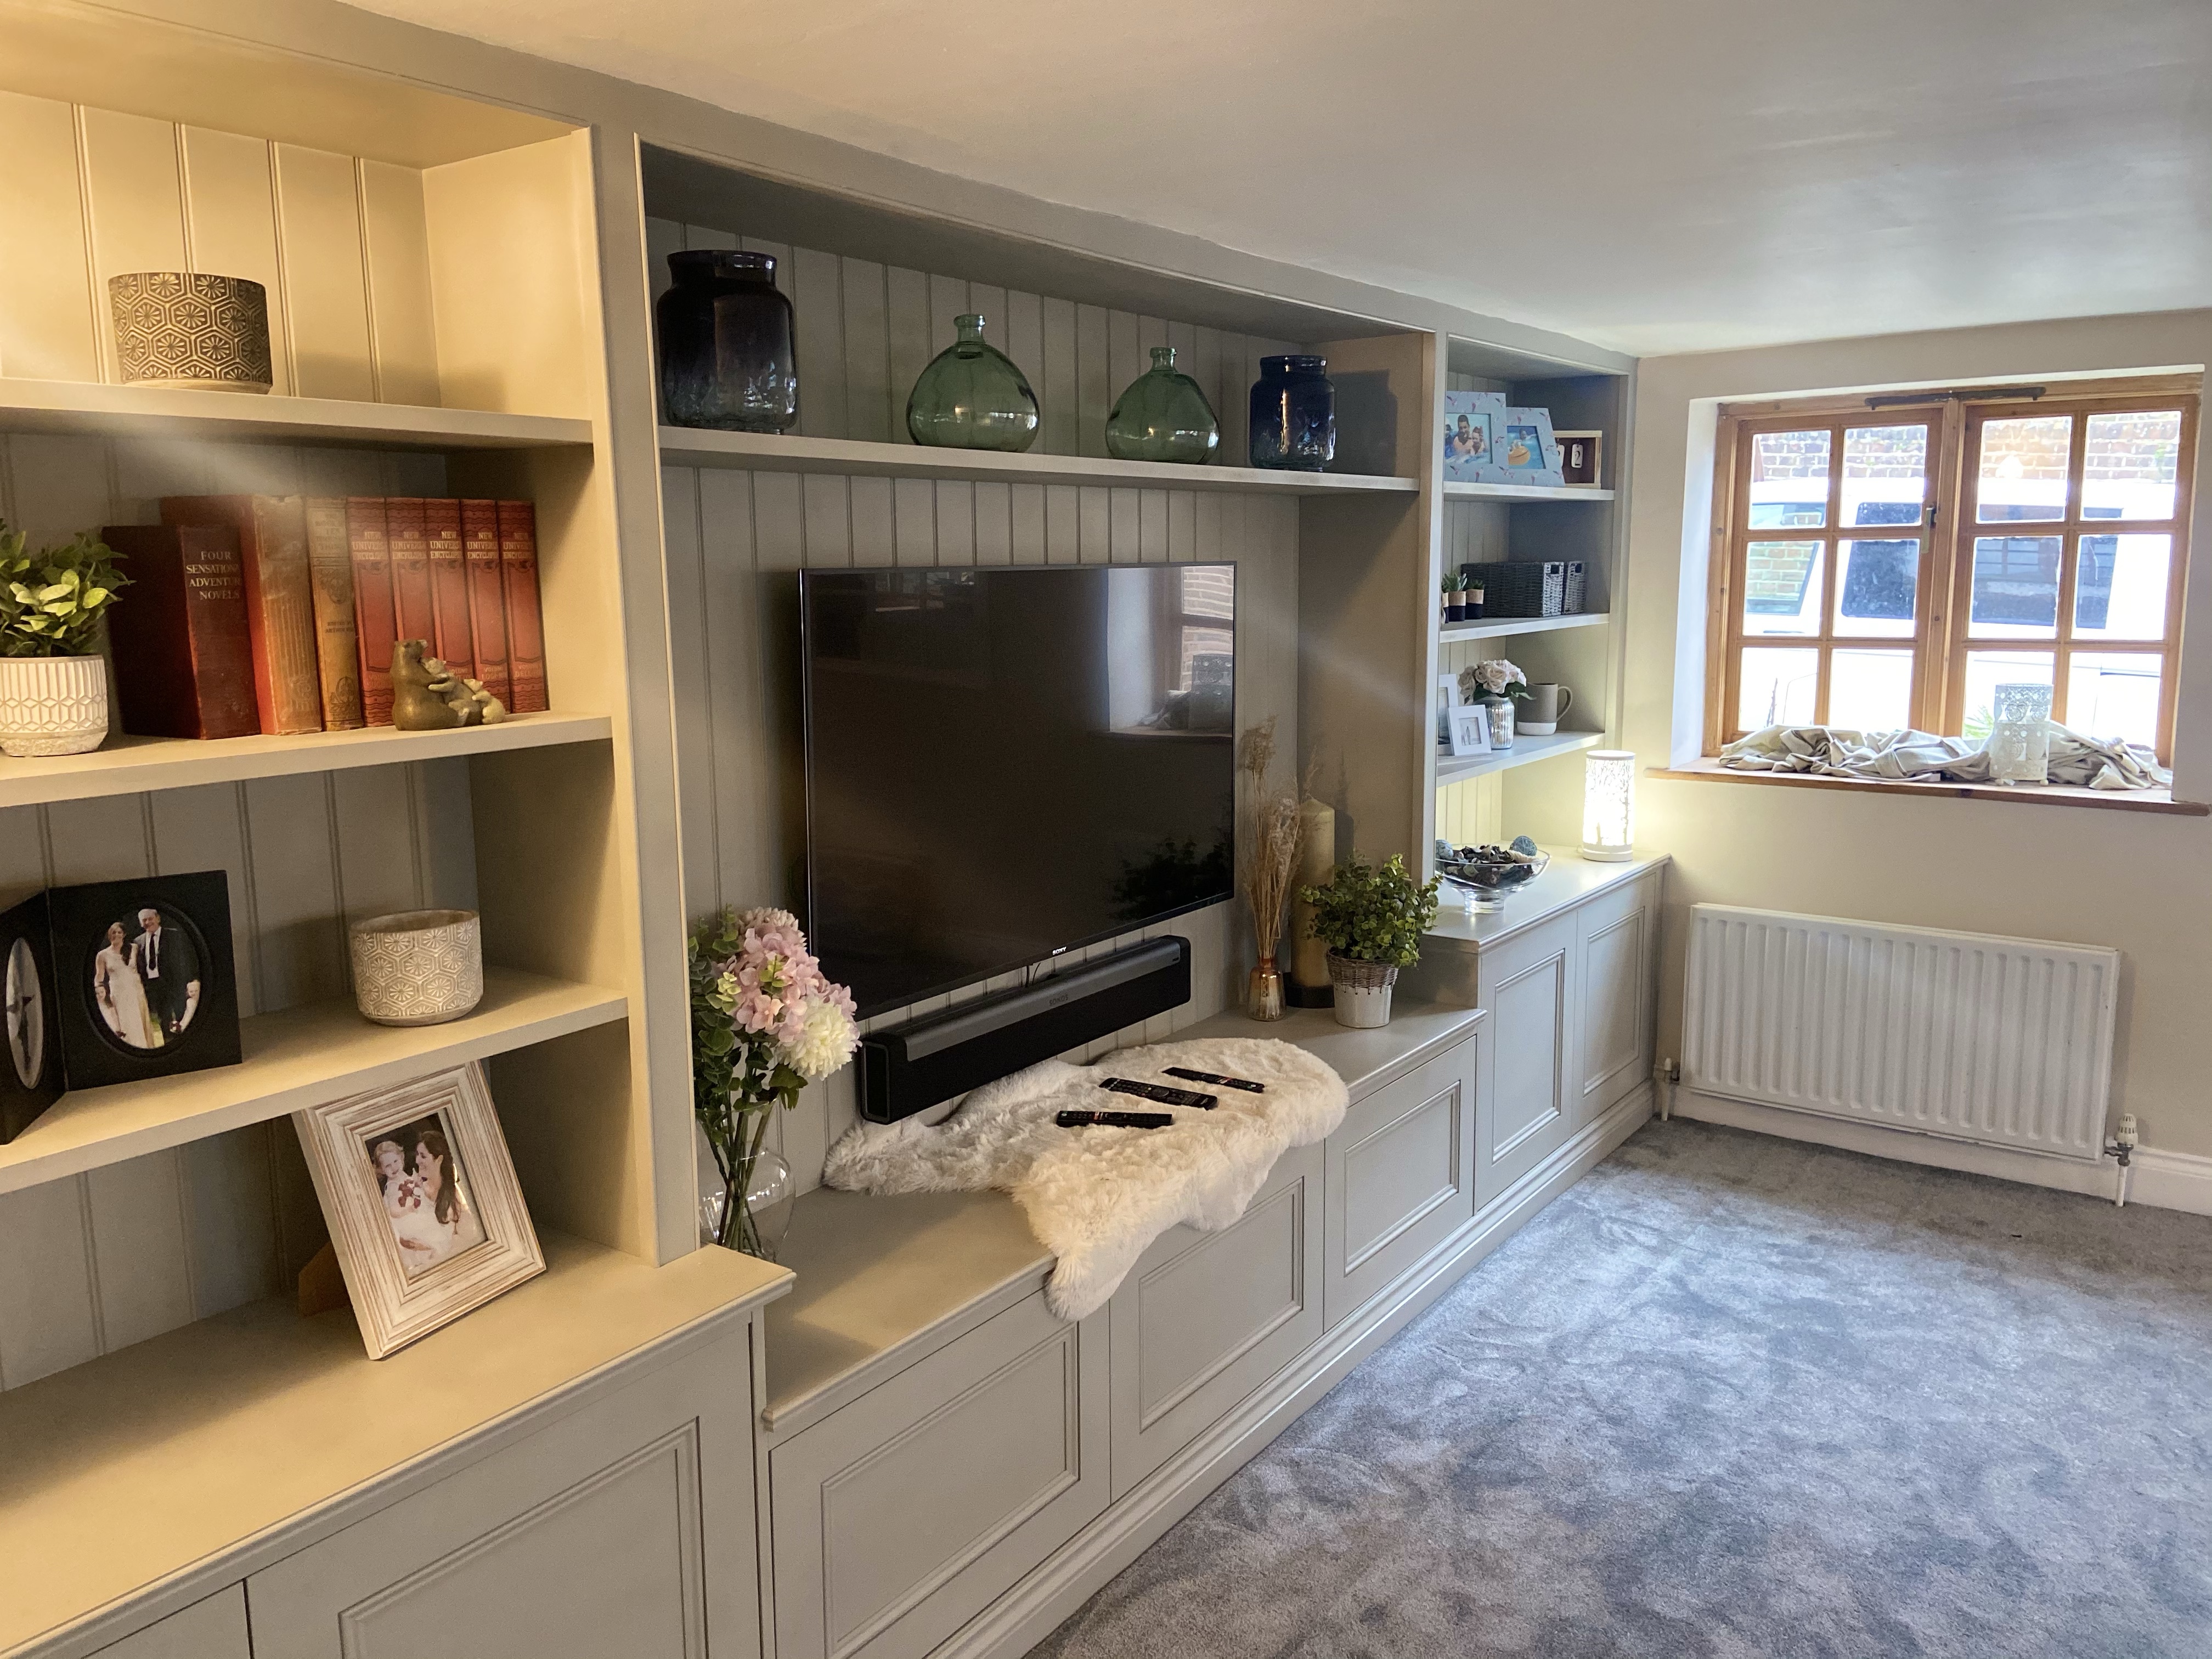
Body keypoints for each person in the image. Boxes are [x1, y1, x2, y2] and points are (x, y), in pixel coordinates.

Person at [389, 1127, 484, 1271]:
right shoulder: (415, 1189)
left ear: (439, 1160)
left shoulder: (454, 1196)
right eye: (417, 1155)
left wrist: (428, 1247)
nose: (417, 1160)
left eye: (423, 1156)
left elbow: (468, 1240)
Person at [131, 907, 201, 1040]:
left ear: (158, 919)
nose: (148, 922)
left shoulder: (174, 935)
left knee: (182, 1013)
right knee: (163, 1018)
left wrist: (191, 978)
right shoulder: (138, 941)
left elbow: (186, 958)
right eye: (144, 920)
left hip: (175, 982)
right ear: (141, 923)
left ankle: (186, 1041)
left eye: (150, 919)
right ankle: (169, 1043)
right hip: (154, 985)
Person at [92, 921, 161, 1050]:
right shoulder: (103, 955)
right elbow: (99, 976)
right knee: (126, 1022)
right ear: (109, 935)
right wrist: (98, 989)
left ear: (124, 934)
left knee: (139, 1020)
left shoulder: (134, 948)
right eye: (114, 932)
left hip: (136, 990)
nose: (117, 935)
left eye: (120, 932)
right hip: (119, 993)